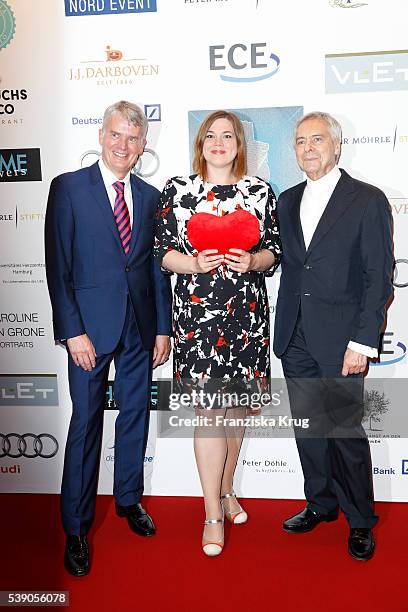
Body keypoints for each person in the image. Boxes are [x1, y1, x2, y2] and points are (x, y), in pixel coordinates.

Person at [45, 100, 172, 577]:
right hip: (89, 333)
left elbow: (155, 271)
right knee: (85, 425)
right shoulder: (69, 189)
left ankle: (128, 500)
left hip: (139, 329)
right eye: (116, 135)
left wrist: (162, 327)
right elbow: (58, 268)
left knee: (135, 417)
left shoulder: (151, 195)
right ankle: (76, 528)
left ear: (143, 146)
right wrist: (71, 329)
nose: (123, 145)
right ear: (101, 136)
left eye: (133, 139)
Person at [154, 110, 281, 556]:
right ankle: (211, 513)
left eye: (228, 135)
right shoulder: (179, 189)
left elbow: (274, 253)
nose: (219, 142)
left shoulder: (259, 192)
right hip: (196, 318)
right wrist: (191, 264)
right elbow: (163, 251)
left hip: (245, 320)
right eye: (211, 135)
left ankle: (226, 490)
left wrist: (254, 262)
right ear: (200, 143)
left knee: (235, 412)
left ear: (240, 144)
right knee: (209, 414)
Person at [273, 111, 393, 561]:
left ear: (337, 146)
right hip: (296, 336)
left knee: (344, 430)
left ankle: (360, 520)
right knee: (309, 429)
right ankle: (320, 503)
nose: (308, 148)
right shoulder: (286, 201)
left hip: (343, 340)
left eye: (317, 139)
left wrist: (362, 342)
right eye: (300, 141)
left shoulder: (366, 199)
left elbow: (377, 277)